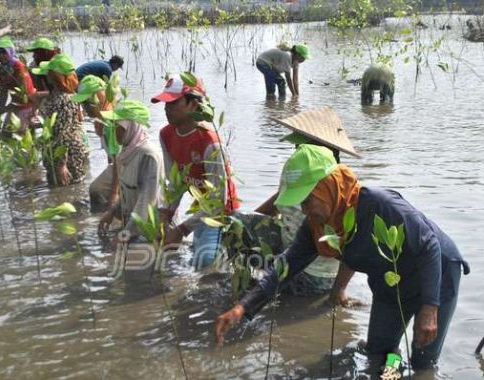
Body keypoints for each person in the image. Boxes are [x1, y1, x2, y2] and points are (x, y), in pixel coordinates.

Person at [215, 144, 469, 371]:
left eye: (307, 200)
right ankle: (393, 374)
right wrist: (242, 308)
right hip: (390, 285)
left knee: (423, 359)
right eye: (300, 203)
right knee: (381, 352)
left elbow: (429, 246)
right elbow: (287, 266)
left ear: (329, 186)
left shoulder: (378, 204)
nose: (304, 210)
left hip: (437, 274)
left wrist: (429, 308)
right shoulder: (318, 225)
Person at [237, 107, 362, 296]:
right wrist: (245, 225)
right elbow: (279, 199)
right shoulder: (306, 175)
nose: (296, 150)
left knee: (255, 290)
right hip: (298, 256)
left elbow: (354, 247)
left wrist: (339, 289)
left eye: (300, 146)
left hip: (312, 271)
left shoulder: (334, 189)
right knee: (238, 225)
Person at [151, 75, 240, 269]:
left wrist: (182, 230)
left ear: (193, 104)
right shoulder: (166, 134)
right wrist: (166, 215)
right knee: (195, 260)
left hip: (221, 213)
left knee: (206, 262)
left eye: (173, 103)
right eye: (165, 103)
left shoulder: (210, 142)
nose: (166, 109)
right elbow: (175, 183)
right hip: (200, 206)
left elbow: (218, 199)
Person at [96, 99, 163, 243]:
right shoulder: (128, 152)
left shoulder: (147, 155)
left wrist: (124, 235)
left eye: (117, 125)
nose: (113, 129)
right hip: (133, 226)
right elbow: (130, 191)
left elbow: (146, 202)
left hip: (149, 232)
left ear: (131, 126)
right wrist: (112, 212)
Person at [32, 53, 88, 186]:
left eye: (49, 73)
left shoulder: (64, 100)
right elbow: (55, 125)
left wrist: (62, 164)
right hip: (56, 149)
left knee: (70, 188)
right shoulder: (58, 95)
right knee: (58, 188)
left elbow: (64, 132)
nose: (46, 76)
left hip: (67, 152)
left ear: (55, 77)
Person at [71, 74, 120, 212]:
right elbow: (111, 159)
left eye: (87, 102)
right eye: (83, 104)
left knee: (95, 190)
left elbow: (119, 161)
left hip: (128, 167)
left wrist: (114, 194)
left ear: (100, 97)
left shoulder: (112, 123)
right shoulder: (102, 121)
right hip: (120, 166)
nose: (84, 108)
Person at [0, 36, 36, 135]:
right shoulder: (1, 69)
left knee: (14, 137)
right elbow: (3, 92)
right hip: (14, 105)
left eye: (3, 52)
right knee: (5, 136)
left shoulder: (19, 67)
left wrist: (8, 107)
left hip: (27, 105)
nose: (0, 56)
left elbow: (25, 94)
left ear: (10, 52)